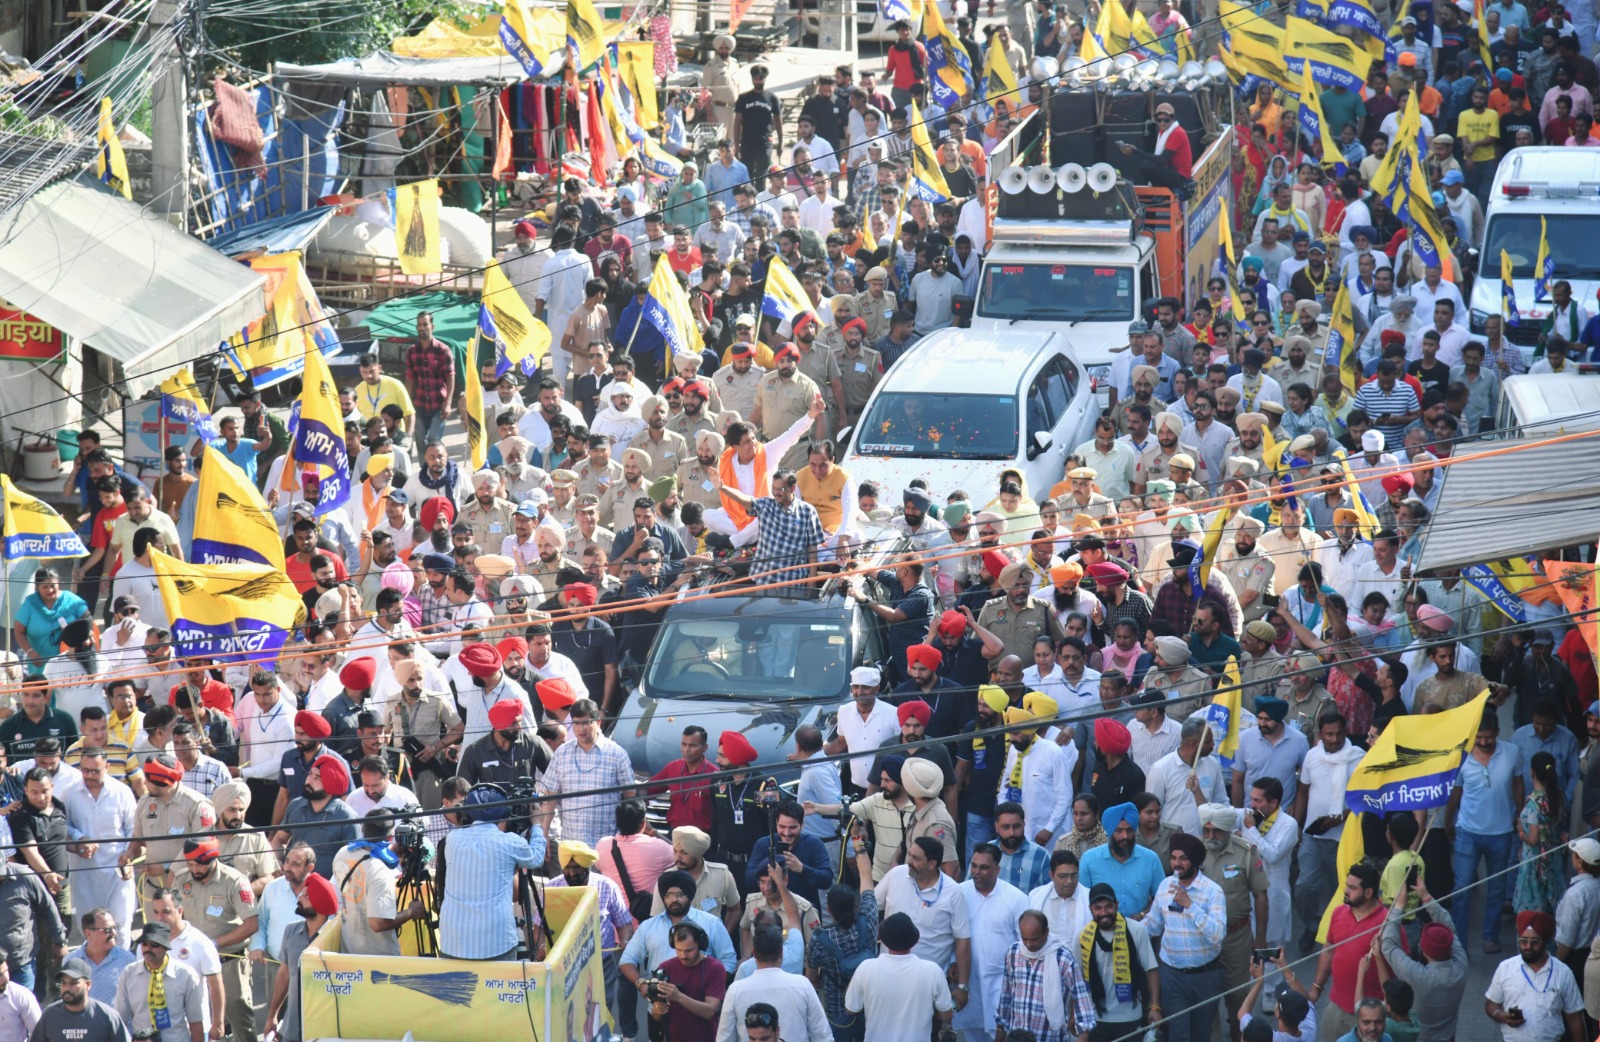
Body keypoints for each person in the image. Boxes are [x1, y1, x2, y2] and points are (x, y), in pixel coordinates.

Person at [436, 785, 546, 961]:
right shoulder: (510, 842)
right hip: (496, 947)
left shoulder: (452, 839)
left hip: (453, 945)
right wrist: (537, 824)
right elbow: (536, 858)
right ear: (505, 812)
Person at [1144, 832, 1226, 1042]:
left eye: (1183, 858)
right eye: (1173, 858)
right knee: (1177, 1033)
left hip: (1205, 976)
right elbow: (1153, 926)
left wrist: (1190, 905)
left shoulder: (1213, 891)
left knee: (1201, 1034)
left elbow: (1218, 934)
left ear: (1195, 861)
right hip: (1172, 976)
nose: (1177, 864)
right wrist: (1126, 930)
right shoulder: (1165, 886)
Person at [1379, 875, 1468, 1042]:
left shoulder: (1419, 975)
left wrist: (1398, 906)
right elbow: (1450, 929)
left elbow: (1388, 946)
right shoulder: (1461, 966)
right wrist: (1425, 896)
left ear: (1425, 951)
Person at [952, 844, 1028, 1042]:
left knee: (1000, 1032)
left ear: (997, 869)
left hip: (1001, 981)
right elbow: (950, 934)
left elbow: (1025, 942)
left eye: (984, 867)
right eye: (974, 865)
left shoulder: (1016, 898)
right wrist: (953, 961)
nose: (976, 872)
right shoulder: (959, 893)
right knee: (972, 1033)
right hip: (969, 979)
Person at [717, 912, 831, 1042]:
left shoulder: (735, 991)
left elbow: (724, 1038)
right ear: (781, 952)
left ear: (754, 953)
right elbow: (823, 1036)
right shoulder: (803, 985)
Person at [843, 913, 955, 1041]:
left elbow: (851, 1008)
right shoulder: (933, 971)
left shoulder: (865, 968)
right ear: (915, 940)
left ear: (882, 939)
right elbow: (947, 1014)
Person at [1485, 911, 1587, 1042]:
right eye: (1523, 941)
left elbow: (1575, 1018)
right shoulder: (1506, 968)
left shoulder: (1563, 972)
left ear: (1545, 941)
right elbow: (1491, 1004)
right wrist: (1501, 1016)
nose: (1528, 946)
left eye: (1535, 941)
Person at [1312, 862, 1386, 1041]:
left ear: (1368, 892)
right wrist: (1316, 988)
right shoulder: (1338, 913)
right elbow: (1328, 950)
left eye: (1352, 888)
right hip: (1336, 1007)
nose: (1346, 890)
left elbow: (1399, 969)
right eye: (1347, 885)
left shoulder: (1387, 923)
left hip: (1370, 1015)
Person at [1078, 882, 1160, 1042]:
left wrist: (1155, 1006)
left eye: (1108, 906)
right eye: (1098, 908)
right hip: (1095, 1017)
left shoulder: (1137, 930)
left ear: (1116, 905)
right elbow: (1076, 980)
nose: (1104, 913)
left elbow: (1151, 970)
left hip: (1130, 1016)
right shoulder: (1082, 937)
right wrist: (1075, 1014)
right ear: (1090, 909)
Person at [263, 872, 338, 1042]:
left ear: (319, 903)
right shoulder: (291, 931)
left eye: (306, 896)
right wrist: (272, 1016)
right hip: (291, 1030)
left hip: (323, 1033)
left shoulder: (336, 937)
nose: (299, 898)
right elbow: (284, 974)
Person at [114, 922, 204, 1042]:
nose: (148, 949)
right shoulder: (129, 973)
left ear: (165, 947)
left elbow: (195, 1020)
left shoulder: (185, 974)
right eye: (144, 944)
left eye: (154, 945)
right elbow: (120, 1020)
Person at [1079, 802, 1165, 917]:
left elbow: (1161, 898)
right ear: (1110, 832)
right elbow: (1082, 901)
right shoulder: (1089, 859)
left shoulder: (1151, 859)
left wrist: (1143, 914)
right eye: (1119, 831)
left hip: (1142, 925)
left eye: (1129, 830)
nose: (1125, 836)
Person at [29, 957, 129, 1042]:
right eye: (64, 983)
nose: (67, 988)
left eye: (73, 983)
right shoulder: (50, 1015)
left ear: (88, 985)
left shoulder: (107, 1017)